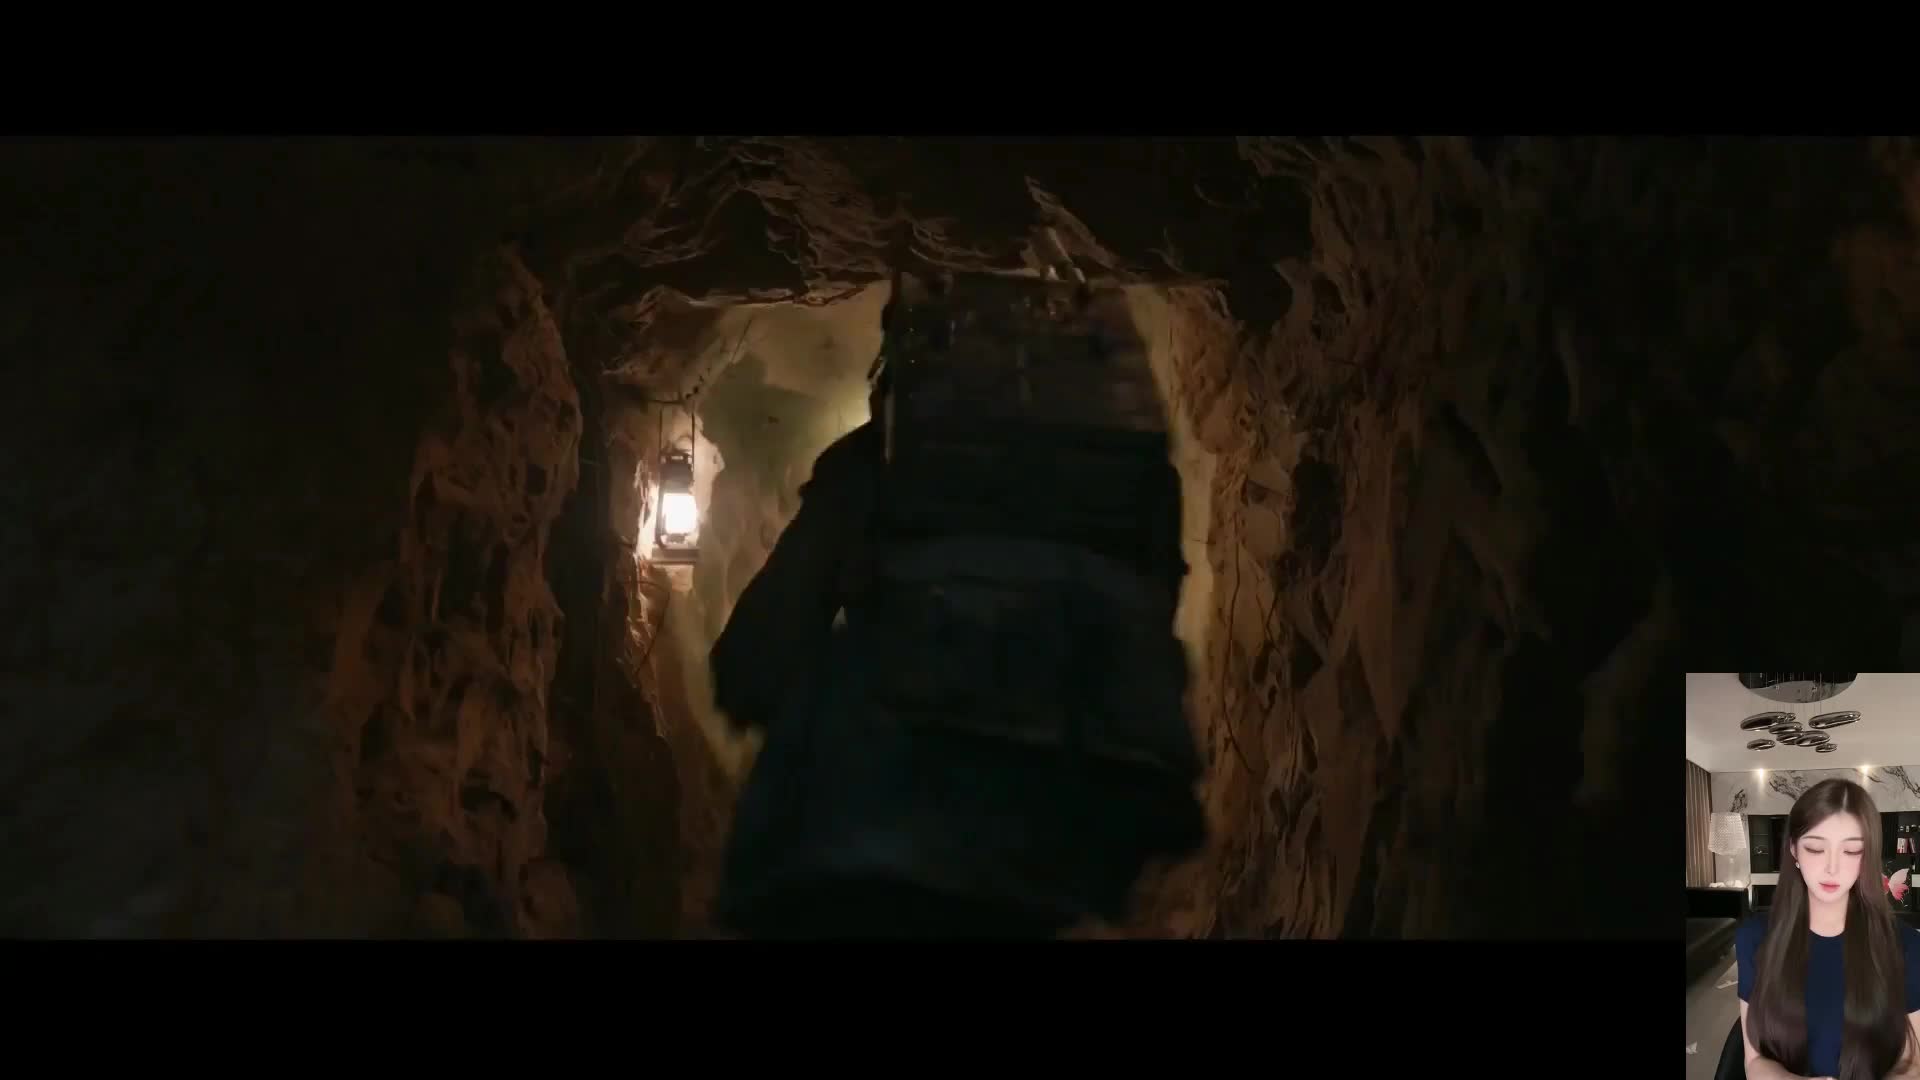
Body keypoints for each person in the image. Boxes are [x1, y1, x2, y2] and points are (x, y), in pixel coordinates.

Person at [705, 266, 1206, 938]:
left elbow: (755, 663)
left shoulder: (875, 467)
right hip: (1059, 857)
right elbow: (1147, 632)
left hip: (886, 858)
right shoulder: (1128, 483)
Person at [1738, 778, 1920, 1080]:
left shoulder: (1907, 946)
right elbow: (1754, 1059)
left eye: (1851, 851)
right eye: (1815, 848)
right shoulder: (1753, 938)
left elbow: (1912, 1065)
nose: (1832, 868)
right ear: (1794, 849)